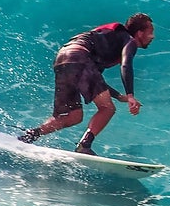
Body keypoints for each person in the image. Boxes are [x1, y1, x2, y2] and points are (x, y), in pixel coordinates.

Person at [17, 13, 155, 155]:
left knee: (73, 116)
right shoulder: (130, 41)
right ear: (139, 33)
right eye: (150, 32)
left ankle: (30, 135)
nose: (153, 37)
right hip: (79, 56)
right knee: (107, 108)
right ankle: (84, 145)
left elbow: (95, 78)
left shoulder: (110, 42)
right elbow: (126, 65)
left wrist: (119, 96)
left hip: (63, 57)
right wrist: (130, 95)